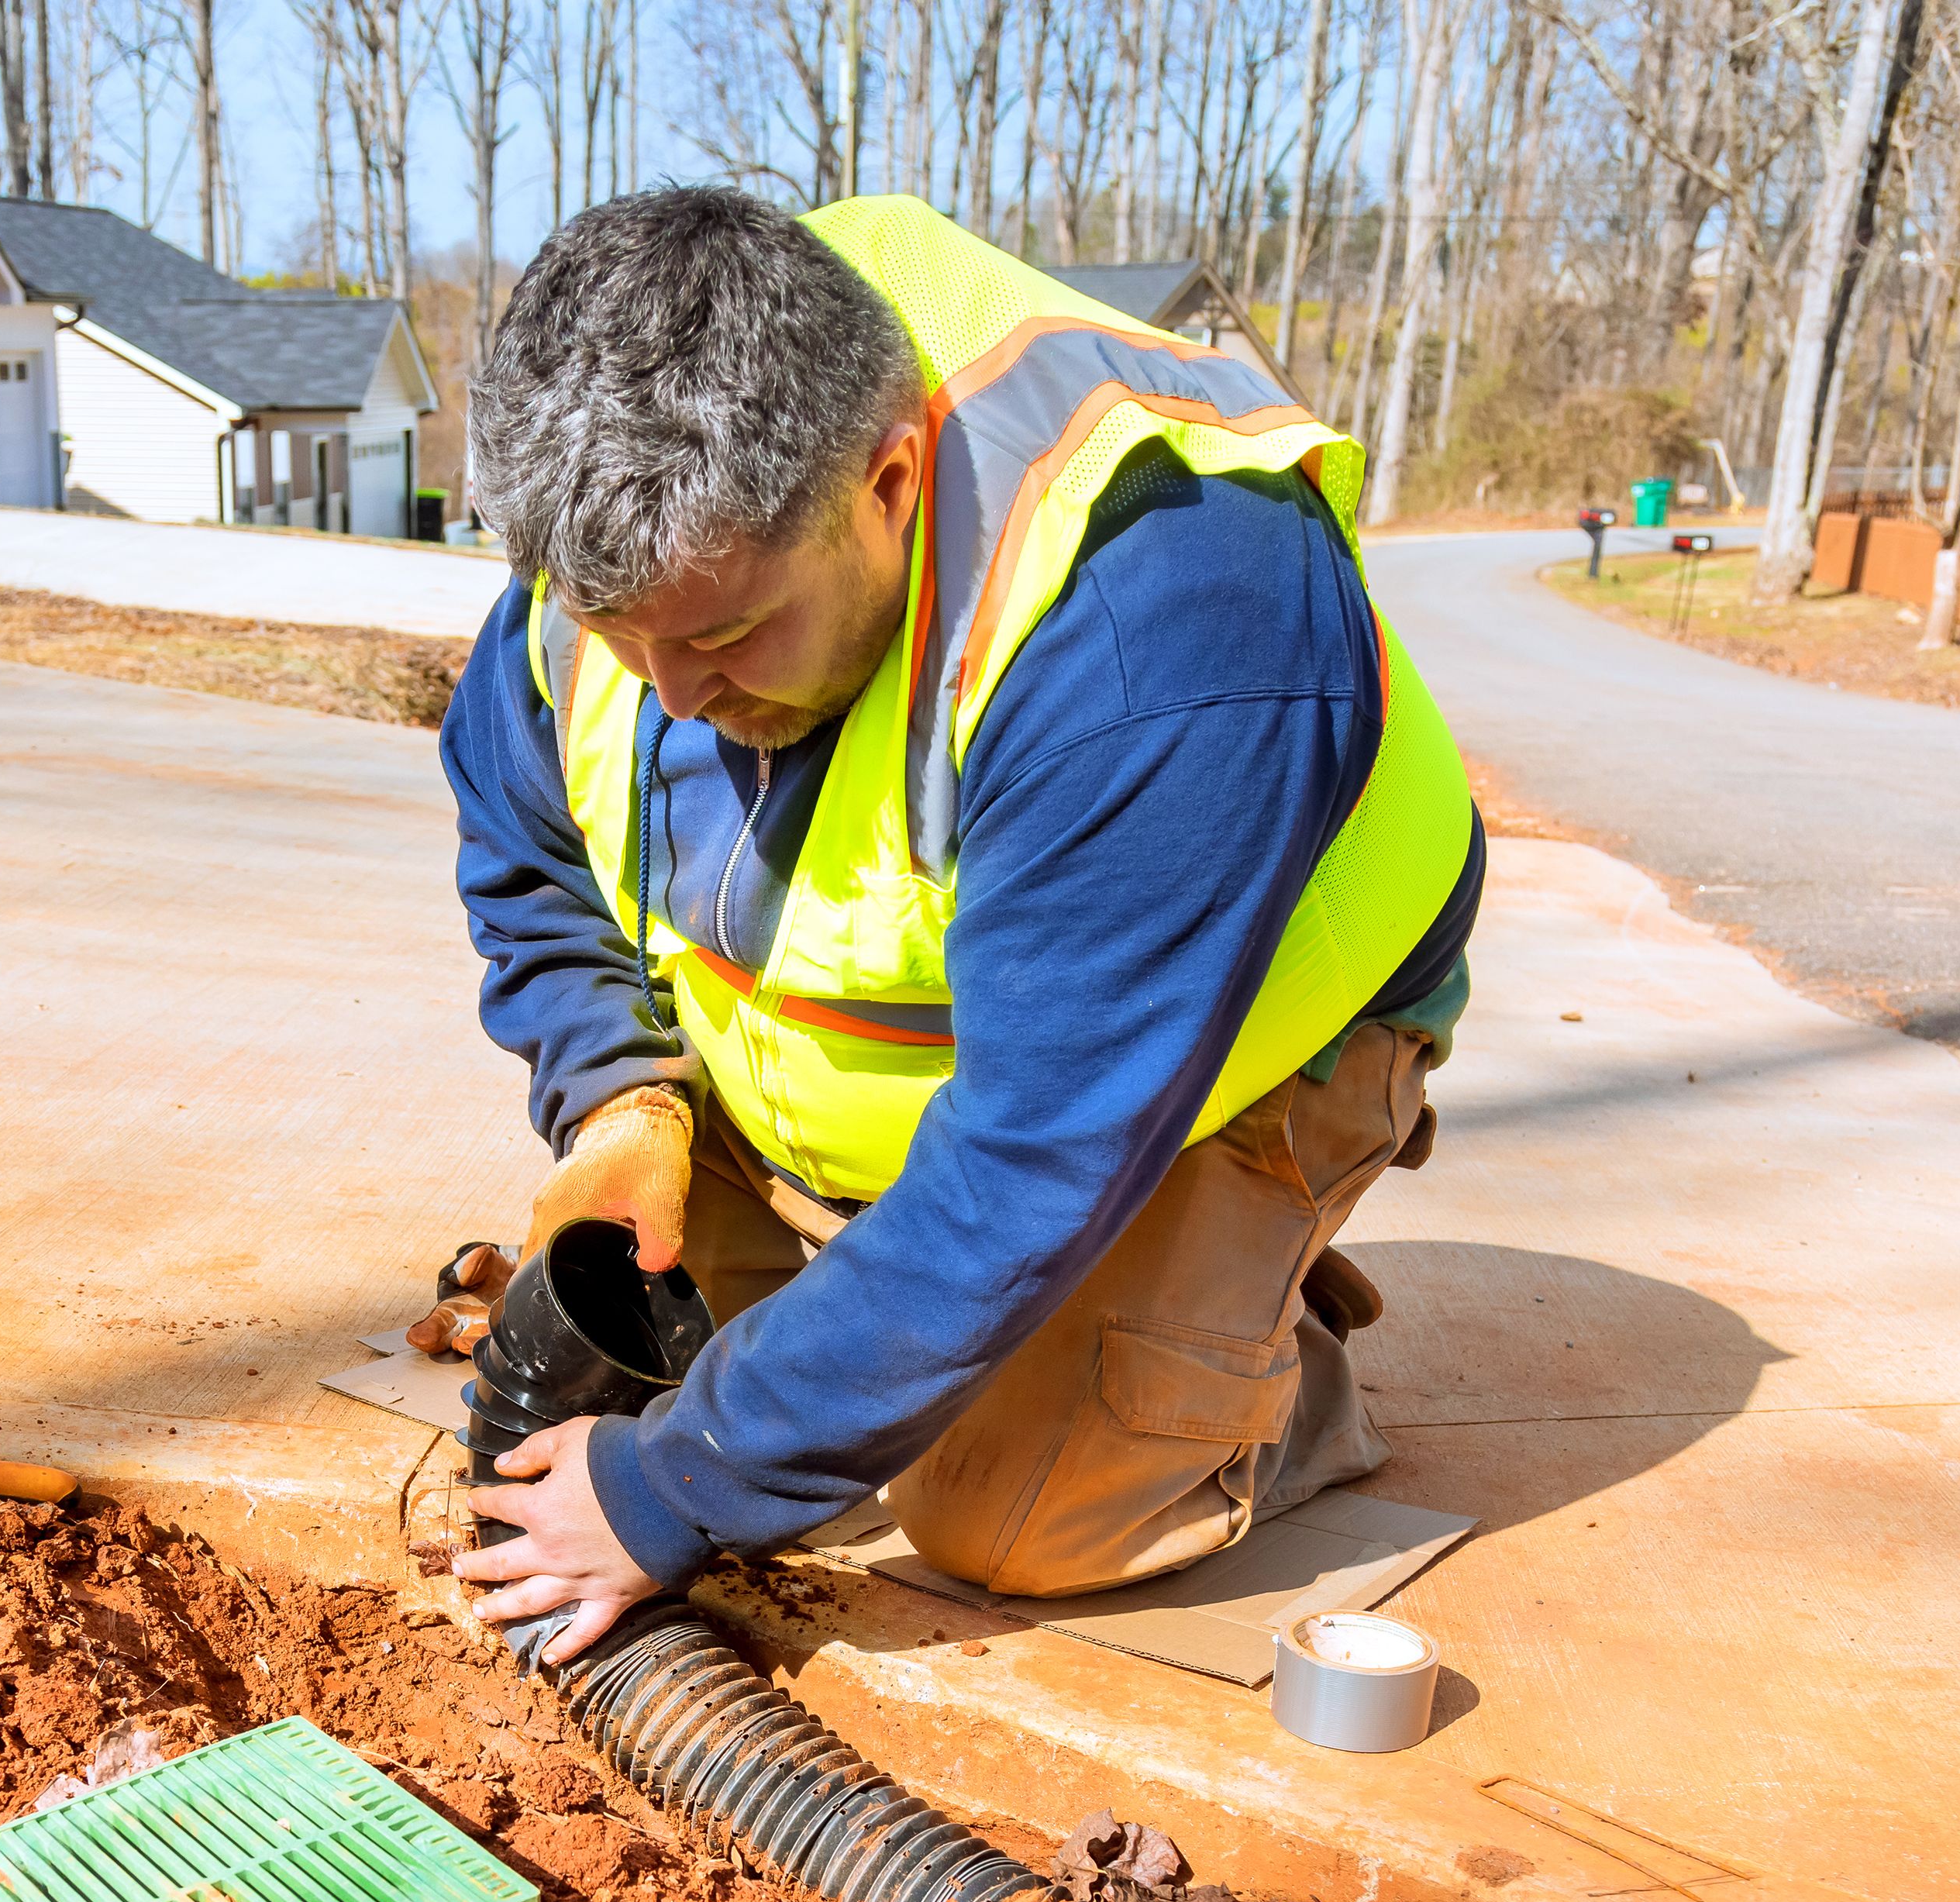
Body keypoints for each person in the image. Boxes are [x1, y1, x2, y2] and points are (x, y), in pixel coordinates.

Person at [446, 186, 1484, 1663]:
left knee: (1011, 1518)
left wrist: (678, 1490)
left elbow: (1035, 1148)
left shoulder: (1167, 621)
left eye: (728, 638)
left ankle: (1255, 1363)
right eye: (623, 639)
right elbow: (526, 844)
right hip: (879, 1076)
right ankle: (922, 1251)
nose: (666, 692)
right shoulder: (620, 556)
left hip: (1201, 1062)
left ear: (889, 480)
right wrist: (617, 1094)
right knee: (697, 1388)